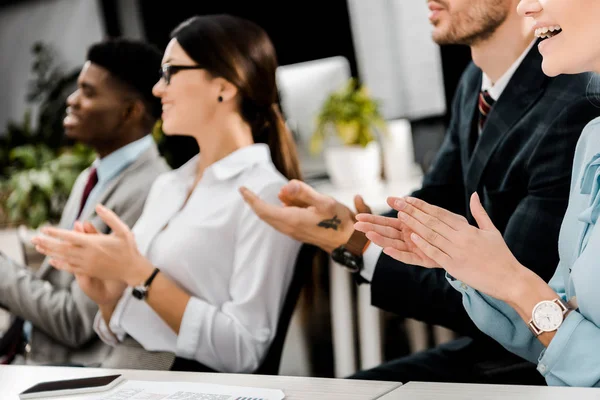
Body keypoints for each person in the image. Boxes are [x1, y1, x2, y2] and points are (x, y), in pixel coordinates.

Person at [240, 0, 600, 384]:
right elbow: (436, 200)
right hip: (536, 352)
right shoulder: (582, 135)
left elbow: (536, 299)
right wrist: (354, 229)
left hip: (523, 364)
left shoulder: (573, 107)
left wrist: (353, 241)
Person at [32, 14, 303, 373]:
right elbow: (135, 326)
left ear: (223, 86)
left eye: (170, 72)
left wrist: (140, 273)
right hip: (126, 373)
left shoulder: (267, 197)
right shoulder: (169, 186)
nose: (158, 89)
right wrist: (109, 294)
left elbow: (245, 352)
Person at [355, 0, 600, 387]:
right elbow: (555, 321)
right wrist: (469, 265)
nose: (528, 6)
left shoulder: (573, 115)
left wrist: (511, 280)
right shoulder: (593, 140)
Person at [0, 38, 169, 366]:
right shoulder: (90, 176)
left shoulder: (150, 189)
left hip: (71, 370)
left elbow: (74, 321)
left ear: (130, 111)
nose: (72, 101)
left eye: (88, 93)